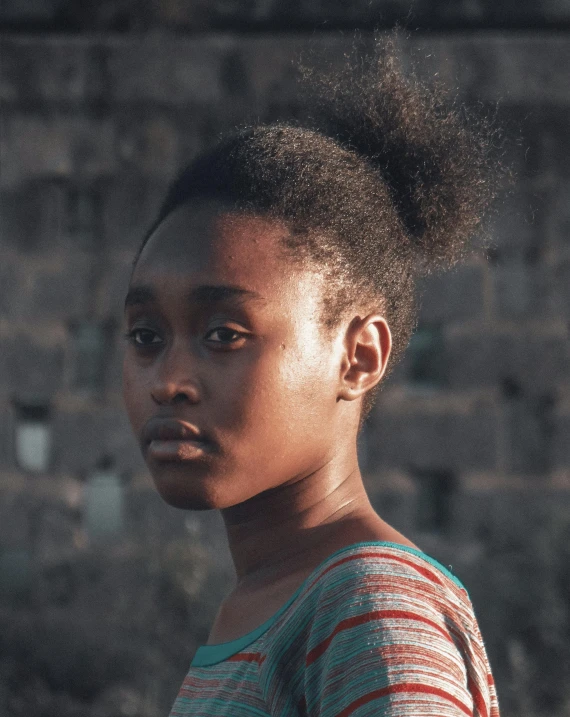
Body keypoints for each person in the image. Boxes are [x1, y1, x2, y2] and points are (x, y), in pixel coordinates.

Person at [122, 34, 503, 717]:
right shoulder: (267, 602)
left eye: (224, 335)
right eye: (147, 336)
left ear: (358, 355)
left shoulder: (372, 607)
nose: (169, 379)